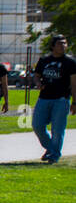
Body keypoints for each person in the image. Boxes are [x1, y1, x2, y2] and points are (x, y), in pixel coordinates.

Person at [32, 34, 76, 163]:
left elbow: (74, 83)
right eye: (59, 43)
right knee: (37, 125)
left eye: (64, 43)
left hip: (61, 100)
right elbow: (36, 75)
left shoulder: (70, 62)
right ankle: (51, 149)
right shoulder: (44, 60)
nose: (63, 46)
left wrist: (75, 102)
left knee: (57, 129)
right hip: (44, 98)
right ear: (52, 46)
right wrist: (38, 82)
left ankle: (54, 155)